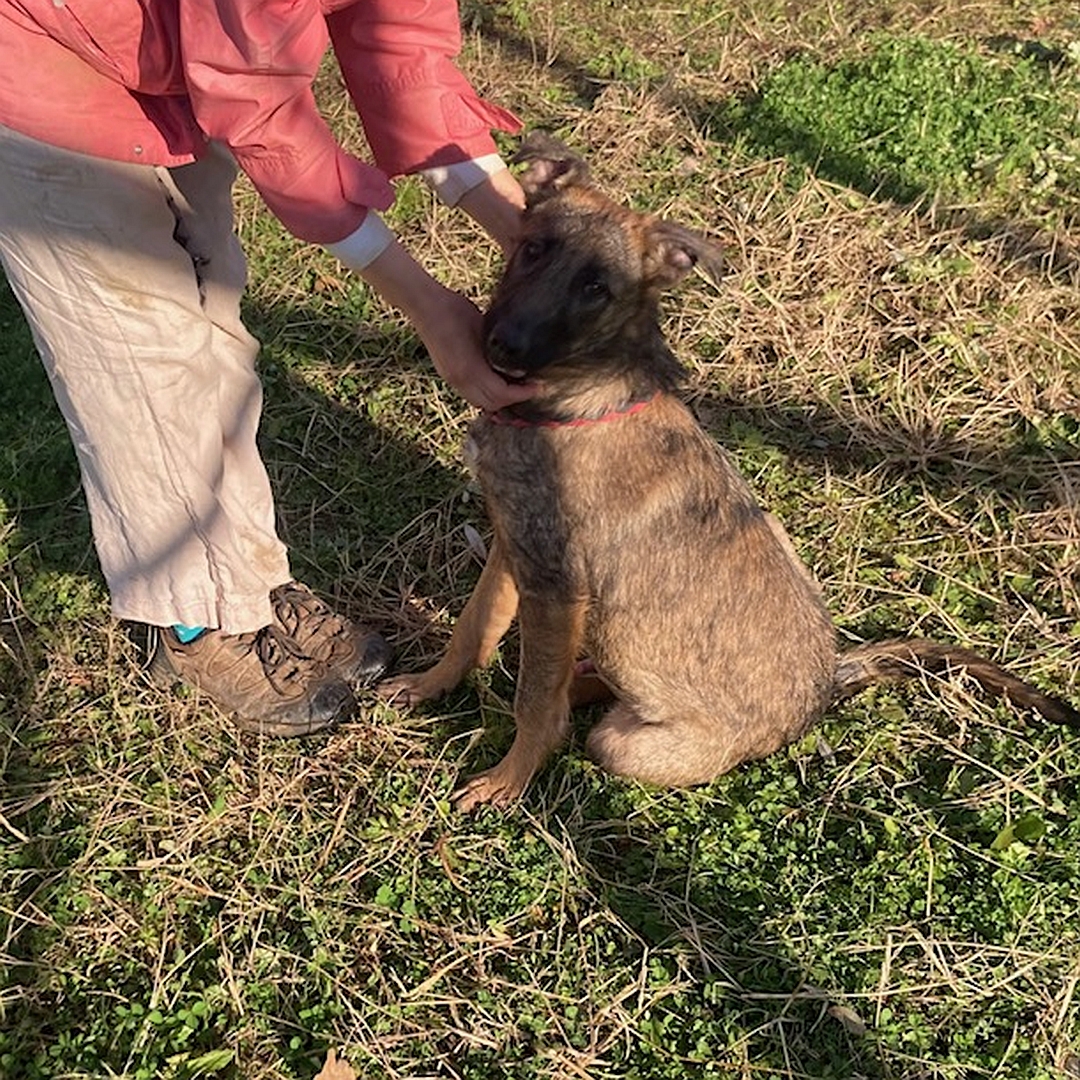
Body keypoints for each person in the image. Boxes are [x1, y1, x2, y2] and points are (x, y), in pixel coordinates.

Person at [0, 0, 536, 735]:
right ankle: (195, 620)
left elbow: (400, 38)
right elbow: (260, 108)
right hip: (38, 63)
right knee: (140, 361)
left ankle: (246, 583)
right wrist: (431, 308)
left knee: (212, 314)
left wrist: (527, 235)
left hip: (171, 62)